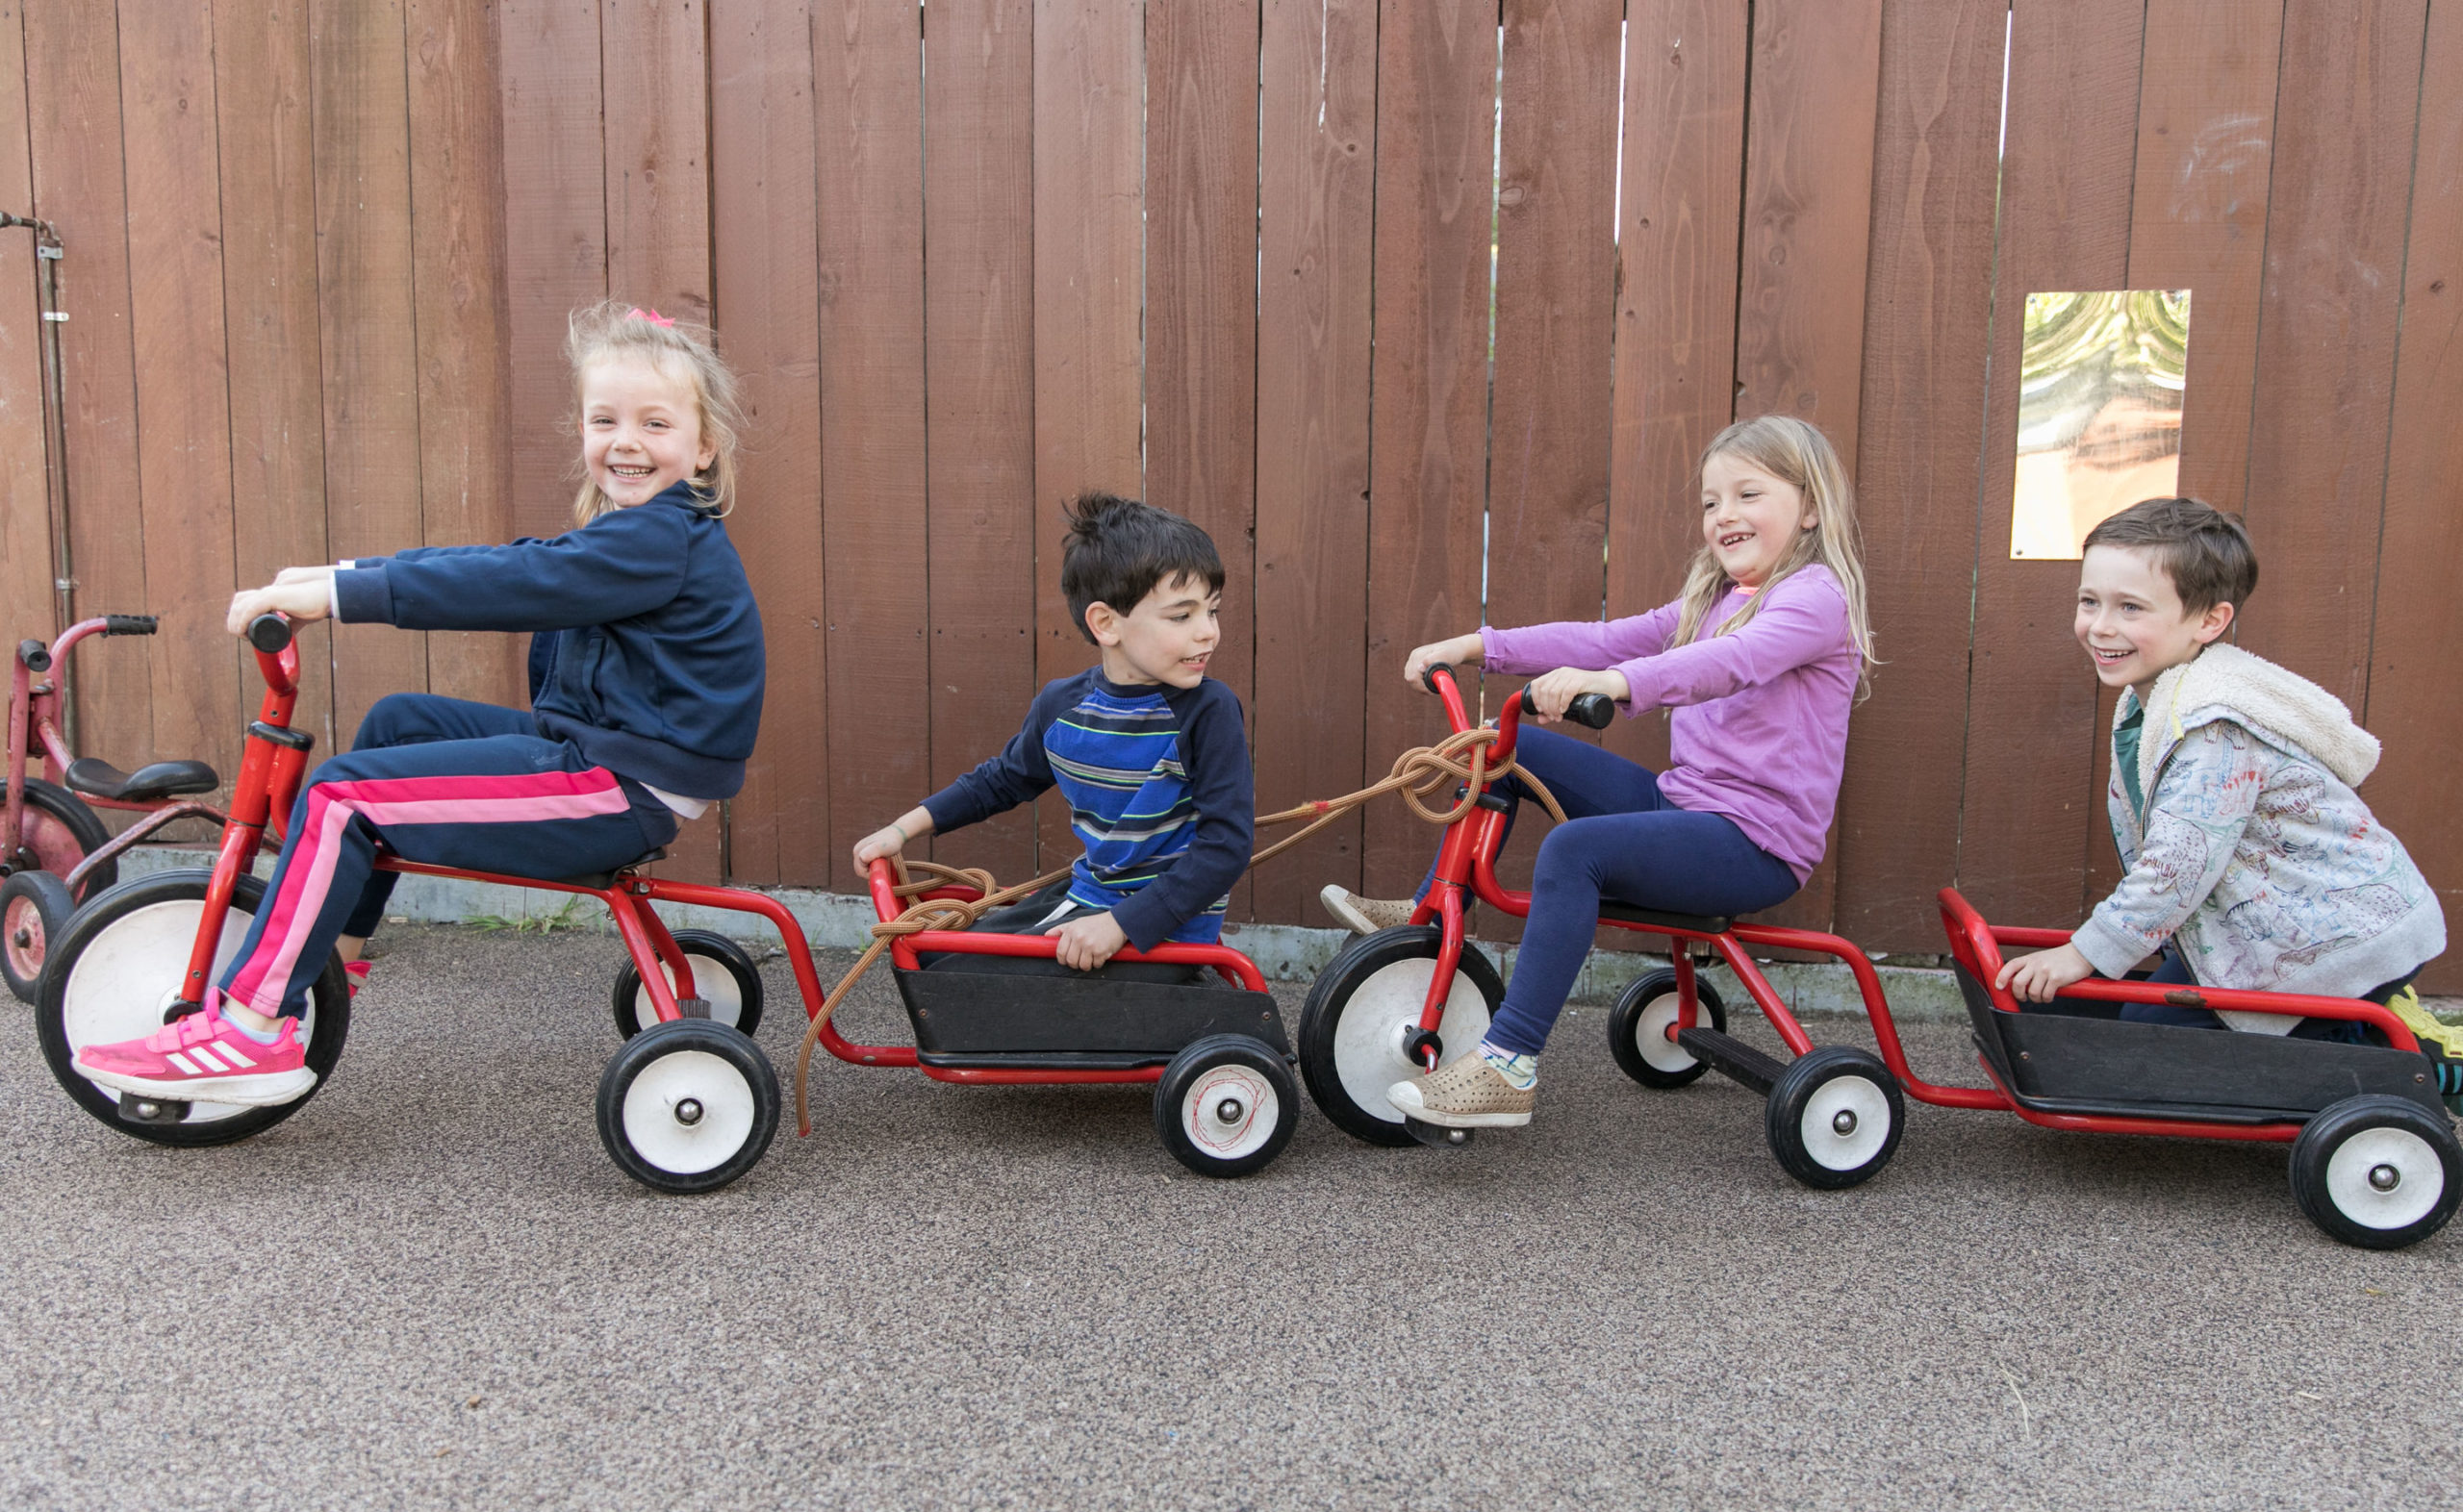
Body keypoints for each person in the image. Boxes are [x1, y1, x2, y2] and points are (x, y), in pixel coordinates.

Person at [76, 301, 764, 1106]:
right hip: (609, 753)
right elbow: (516, 560)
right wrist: (341, 571)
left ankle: (251, 1028)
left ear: (704, 444)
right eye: (604, 418)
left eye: (655, 423)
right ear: (580, 427)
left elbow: (512, 584)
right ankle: (338, 952)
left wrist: (343, 593)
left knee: (338, 800)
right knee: (399, 721)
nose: (625, 441)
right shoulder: (632, 531)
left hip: (619, 787)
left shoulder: (658, 538)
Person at [1323, 414, 1873, 1128]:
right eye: (1711, 502)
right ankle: (1432, 904)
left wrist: (1616, 684)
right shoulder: (1713, 600)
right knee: (1504, 745)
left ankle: (1508, 1064)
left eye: (1747, 495)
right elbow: (1607, 637)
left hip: (1754, 842)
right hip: (1685, 804)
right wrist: (1475, 645)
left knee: (1575, 851)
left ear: (1809, 509)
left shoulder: (1815, 600)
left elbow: (1730, 664)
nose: (1724, 515)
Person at [1995, 498, 2459, 1094]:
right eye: (2090, 601)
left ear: (2209, 621)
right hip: (2273, 924)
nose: (2101, 626)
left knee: (2155, 1038)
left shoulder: (2212, 728)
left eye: (2130, 607)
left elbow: (2179, 864)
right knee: (2144, 1019)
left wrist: (2086, 952)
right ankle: (2373, 1016)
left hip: (2337, 933)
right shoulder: (2156, 697)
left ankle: (2413, 1053)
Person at [851, 494, 1252, 982]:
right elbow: (1000, 781)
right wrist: (899, 831)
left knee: (960, 986)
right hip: (1090, 899)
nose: (1207, 633)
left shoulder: (1208, 712)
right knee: (934, 963)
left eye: (1212, 611)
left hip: (1161, 931)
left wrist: (1122, 925)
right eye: (1182, 616)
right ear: (1106, 623)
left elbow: (1224, 847)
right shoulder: (1063, 707)